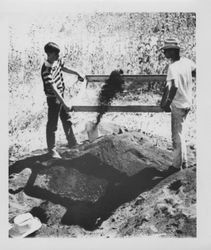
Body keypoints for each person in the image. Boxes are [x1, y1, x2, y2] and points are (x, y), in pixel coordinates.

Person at [41, 42, 84, 158]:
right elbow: (53, 88)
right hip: (53, 98)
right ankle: (52, 149)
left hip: (61, 94)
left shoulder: (57, 61)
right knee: (52, 124)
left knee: (66, 119)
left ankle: (72, 142)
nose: (58, 56)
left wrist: (77, 73)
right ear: (49, 54)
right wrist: (64, 103)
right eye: (56, 54)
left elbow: (64, 67)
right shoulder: (46, 69)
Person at [160, 38, 196, 173]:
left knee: (176, 136)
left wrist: (167, 103)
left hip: (178, 104)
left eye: (166, 51)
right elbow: (196, 72)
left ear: (172, 51)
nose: (164, 53)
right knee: (182, 133)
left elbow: (173, 86)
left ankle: (176, 166)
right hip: (188, 102)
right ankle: (184, 162)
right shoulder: (187, 62)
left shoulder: (173, 67)